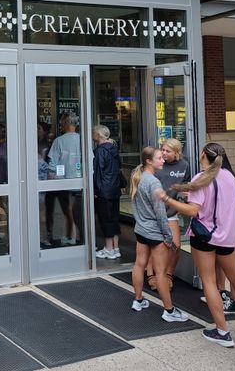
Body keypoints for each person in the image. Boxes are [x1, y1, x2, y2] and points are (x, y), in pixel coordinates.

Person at [164, 142, 235, 347]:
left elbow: (192, 211)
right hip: (227, 237)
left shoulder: (202, 178)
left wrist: (168, 199)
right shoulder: (230, 176)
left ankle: (222, 332)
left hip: (204, 236)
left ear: (203, 156)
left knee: (209, 282)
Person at [129, 146, 189, 323]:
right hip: (155, 232)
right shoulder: (153, 182)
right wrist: (168, 236)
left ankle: (138, 300)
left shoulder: (137, 176)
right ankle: (169, 311)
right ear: (149, 161)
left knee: (139, 265)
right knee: (161, 273)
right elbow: (161, 213)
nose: (163, 160)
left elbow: (135, 207)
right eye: (159, 158)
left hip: (141, 230)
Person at [146, 138, 190, 288]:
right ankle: (150, 274)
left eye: (168, 151)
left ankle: (168, 274)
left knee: (175, 246)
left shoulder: (184, 165)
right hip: (153, 212)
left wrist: (182, 199)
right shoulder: (157, 163)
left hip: (171, 212)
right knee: (155, 245)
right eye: (162, 150)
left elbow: (186, 183)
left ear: (177, 153)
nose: (164, 153)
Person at [46, 113, 81, 245]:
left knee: (66, 211)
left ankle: (69, 235)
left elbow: (53, 163)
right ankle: (76, 236)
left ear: (66, 123)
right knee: (76, 211)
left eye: (61, 122)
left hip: (62, 182)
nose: (60, 125)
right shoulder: (82, 140)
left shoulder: (59, 141)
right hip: (79, 180)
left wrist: (51, 177)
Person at [92, 124, 122, 260]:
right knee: (114, 219)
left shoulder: (100, 151)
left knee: (106, 220)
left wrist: (96, 191)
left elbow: (98, 173)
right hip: (115, 189)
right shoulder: (114, 149)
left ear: (98, 135)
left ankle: (108, 249)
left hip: (104, 190)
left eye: (93, 133)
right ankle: (116, 248)